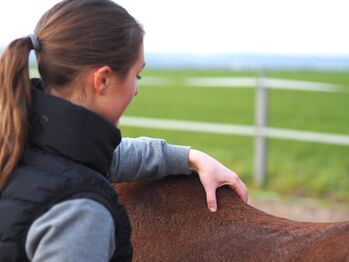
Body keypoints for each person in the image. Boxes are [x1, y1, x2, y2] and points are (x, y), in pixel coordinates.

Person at [0, 0, 248, 261]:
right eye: (136, 76)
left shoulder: (17, 141)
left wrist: (190, 157)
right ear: (103, 80)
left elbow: (105, 158)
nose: (136, 90)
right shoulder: (79, 212)